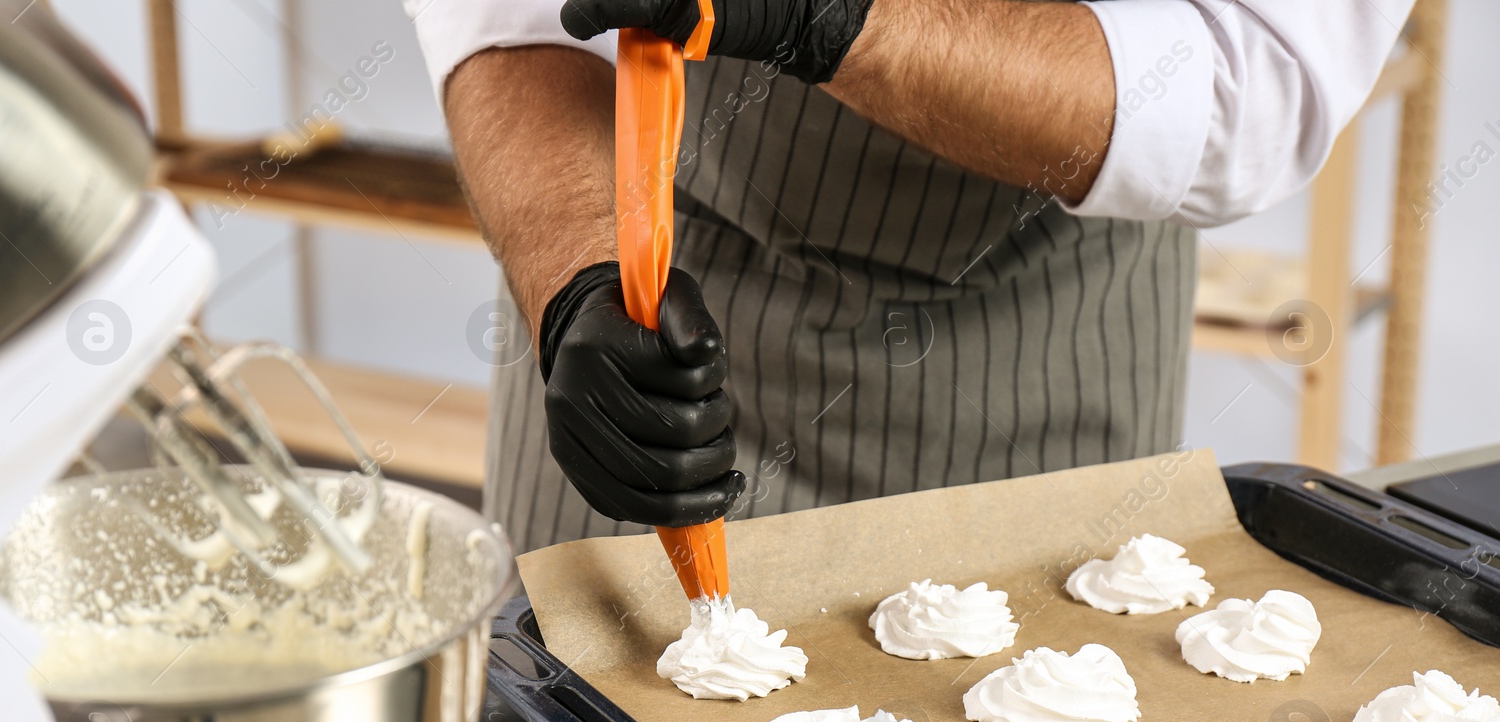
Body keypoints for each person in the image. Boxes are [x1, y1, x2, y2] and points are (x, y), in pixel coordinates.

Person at [405, 0, 1411, 553]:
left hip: (1018, 343)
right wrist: (578, 273)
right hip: (639, 268)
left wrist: (839, 19)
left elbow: (1257, 77)